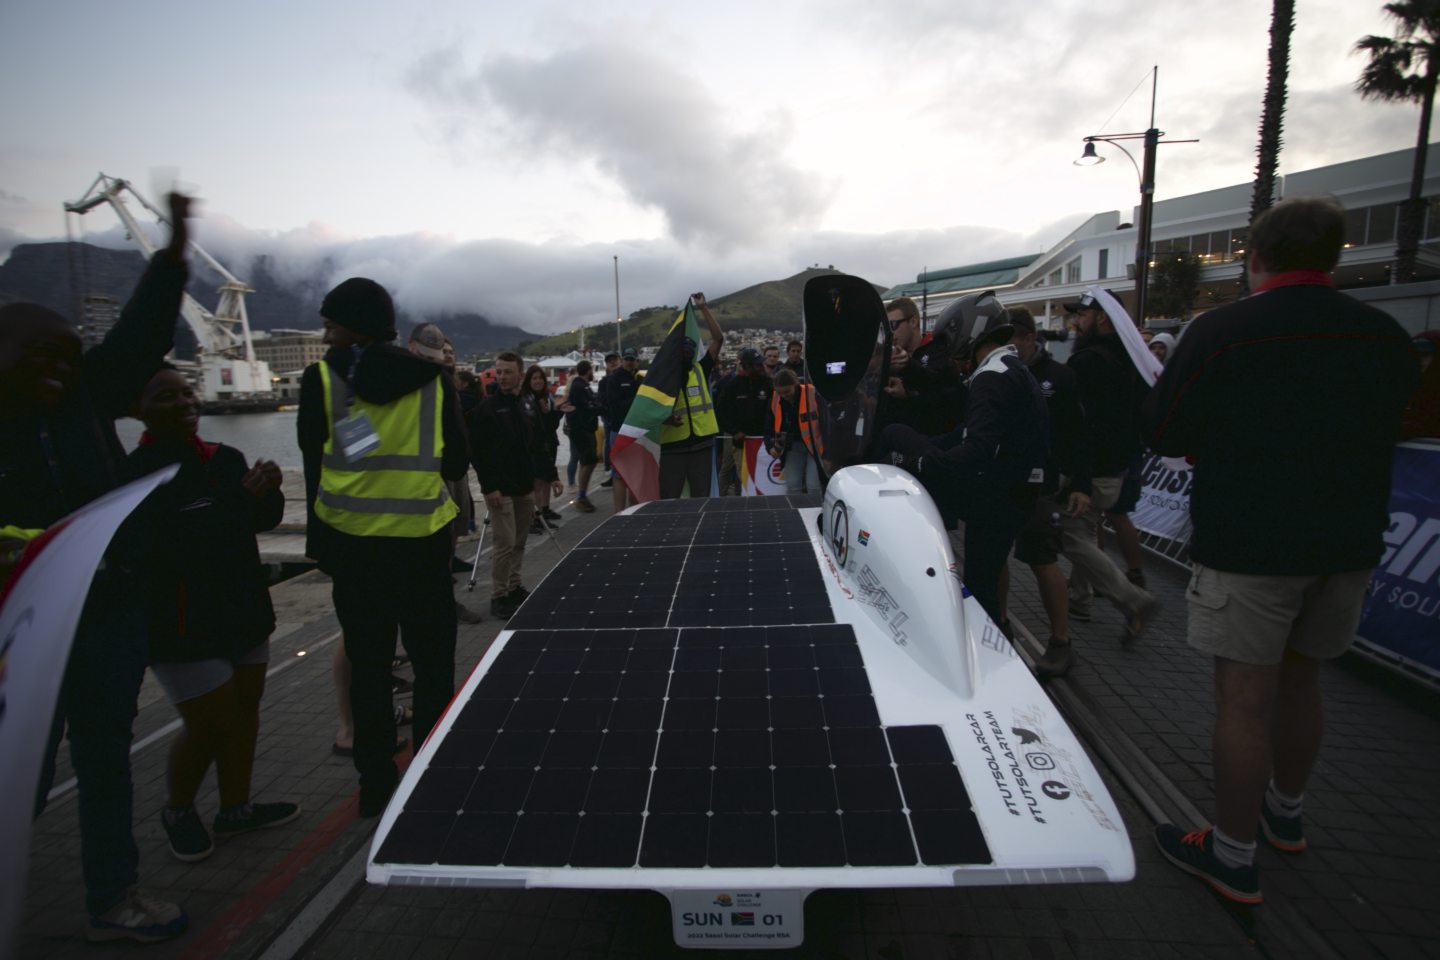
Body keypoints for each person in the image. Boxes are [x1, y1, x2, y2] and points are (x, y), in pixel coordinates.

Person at [1143, 196, 1418, 904]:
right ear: (1333, 256)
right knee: (1304, 683)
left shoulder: (1224, 331)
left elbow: (1167, 430)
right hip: (1348, 541)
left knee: (1244, 698)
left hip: (1250, 543)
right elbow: (1403, 422)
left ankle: (1232, 855)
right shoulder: (1384, 334)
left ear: (1254, 257)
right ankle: (1285, 815)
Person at [3, 192, 191, 942]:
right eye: (38, 362)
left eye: (65, 360)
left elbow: (139, 339)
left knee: (106, 758)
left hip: (105, 613)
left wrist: (173, 257)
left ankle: (115, 893)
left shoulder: (86, 397)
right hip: (20, 629)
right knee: (22, 768)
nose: (57, 373)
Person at [298, 277, 467, 818]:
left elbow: (310, 464)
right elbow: (457, 463)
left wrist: (320, 543)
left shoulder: (320, 380)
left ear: (354, 326)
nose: (325, 338)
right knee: (433, 666)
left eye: (330, 326)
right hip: (421, 545)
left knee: (369, 669)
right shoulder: (433, 380)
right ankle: (431, 775)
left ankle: (375, 783)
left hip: (353, 549)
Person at [125, 366, 300, 863]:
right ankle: (178, 809)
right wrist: (238, 499)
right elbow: (164, 547)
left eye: (186, 392)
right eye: (166, 396)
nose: (184, 402)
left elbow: (257, 521)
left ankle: (235, 808)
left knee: (245, 713)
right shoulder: (136, 475)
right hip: (182, 624)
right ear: (141, 409)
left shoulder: (226, 459)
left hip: (243, 609)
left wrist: (269, 492)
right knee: (210, 724)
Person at [880, 322, 1049, 624]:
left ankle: (991, 653)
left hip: (998, 495)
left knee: (981, 586)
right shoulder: (1008, 368)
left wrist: (927, 463)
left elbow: (977, 444)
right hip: (1014, 489)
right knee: (985, 578)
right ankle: (999, 635)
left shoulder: (991, 376)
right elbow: (965, 422)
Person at [991, 308, 1091, 675]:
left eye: (1015, 339)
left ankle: (1061, 641)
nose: (1010, 348)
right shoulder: (995, 373)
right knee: (995, 557)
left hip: (1041, 486)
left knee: (1042, 560)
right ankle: (999, 626)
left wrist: (1081, 483)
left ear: (1030, 338)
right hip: (1000, 482)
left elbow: (1078, 433)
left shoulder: (1059, 377)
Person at [1061, 289, 1160, 637]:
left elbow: (1079, 423)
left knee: (1072, 537)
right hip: (1117, 464)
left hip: (1092, 467)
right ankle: (1081, 596)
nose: (1076, 322)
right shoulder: (1130, 360)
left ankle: (1132, 598)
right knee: (1086, 530)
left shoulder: (1087, 362)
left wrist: (1079, 478)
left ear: (1103, 318)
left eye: (1083, 316)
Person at [471, 352, 564, 618]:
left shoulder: (527, 405)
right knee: (504, 542)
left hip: (525, 485)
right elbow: (478, 452)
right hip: (501, 488)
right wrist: (489, 487)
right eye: (498, 372)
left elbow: (538, 444)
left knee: (520, 540)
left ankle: (513, 585)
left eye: (507, 372)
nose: (502, 377)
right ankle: (499, 595)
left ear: (519, 374)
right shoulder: (486, 409)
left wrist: (552, 475)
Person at [660, 293, 725, 498]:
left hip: (702, 444)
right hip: (673, 447)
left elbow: (718, 339)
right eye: (682, 351)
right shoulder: (661, 377)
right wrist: (666, 418)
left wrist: (703, 308)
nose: (686, 354)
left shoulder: (700, 369)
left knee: (701, 497)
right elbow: (650, 410)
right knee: (670, 497)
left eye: (690, 350)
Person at [882, 294, 968, 436]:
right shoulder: (892, 360)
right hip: (900, 436)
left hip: (932, 440)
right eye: (887, 328)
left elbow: (939, 387)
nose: (890, 333)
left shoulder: (938, 349)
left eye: (894, 325)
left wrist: (908, 370)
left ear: (913, 322)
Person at [716, 347, 773, 491]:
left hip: (764, 441)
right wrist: (734, 431)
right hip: (742, 442)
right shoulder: (732, 386)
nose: (761, 367)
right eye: (757, 364)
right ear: (746, 366)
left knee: (765, 477)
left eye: (761, 363)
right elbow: (721, 412)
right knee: (745, 478)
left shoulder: (768, 383)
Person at [766, 369, 826, 494]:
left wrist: (829, 454)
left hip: (815, 447)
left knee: (813, 485)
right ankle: (796, 511)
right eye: (780, 392)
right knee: (793, 485)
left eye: (787, 391)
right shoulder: (775, 398)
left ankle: (816, 512)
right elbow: (768, 426)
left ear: (796, 384)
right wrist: (770, 446)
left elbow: (826, 423)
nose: (784, 396)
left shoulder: (812, 393)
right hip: (792, 447)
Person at [522, 364, 565, 528]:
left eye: (540, 378)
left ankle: (542, 512)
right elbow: (536, 425)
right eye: (534, 378)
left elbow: (550, 425)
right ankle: (535, 517)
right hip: (535, 446)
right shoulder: (527, 399)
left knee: (544, 480)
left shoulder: (546, 397)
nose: (538, 381)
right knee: (537, 482)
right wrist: (547, 412)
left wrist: (556, 411)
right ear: (528, 380)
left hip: (547, 443)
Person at [603, 348, 642, 510]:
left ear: (636, 361)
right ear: (622, 360)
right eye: (626, 359)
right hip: (619, 430)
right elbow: (614, 407)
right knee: (619, 474)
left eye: (632, 359)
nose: (629, 362)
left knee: (635, 472)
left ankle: (634, 511)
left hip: (638, 431)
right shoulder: (614, 379)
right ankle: (618, 513)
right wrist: (636, 398)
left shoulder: (640, 378)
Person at [564, 359, 602, 512]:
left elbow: (592, 404)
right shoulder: (579, 386)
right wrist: (598, 407)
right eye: (591, 370)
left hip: (587, 429)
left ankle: (582, 493)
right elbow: (588, 407)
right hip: (581, 430)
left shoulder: (583, 385)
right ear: (588, 371)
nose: (593, 373)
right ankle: (581, 495)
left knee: (589, 461)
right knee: (587, 461)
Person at [597, 351, 621, 487]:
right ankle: (612, 473)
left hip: (624, 419)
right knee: (609, 446)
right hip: (609, 419)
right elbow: (600, 400)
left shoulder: (628, 377)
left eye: (614, 359)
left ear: (620, 360)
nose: (612, 362)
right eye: (609, 361)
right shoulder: (603, 382)